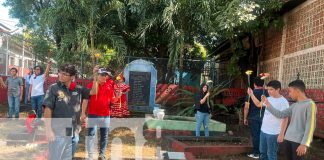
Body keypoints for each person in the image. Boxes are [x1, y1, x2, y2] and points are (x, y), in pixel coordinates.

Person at [43, 64, 89, 160]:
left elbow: (91, 94)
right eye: (60, 73)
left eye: (64, 74)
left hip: (73, 131)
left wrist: (81, 120)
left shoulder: (78, 89)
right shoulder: (53, 88)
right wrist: (48, 130)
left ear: (72, 77)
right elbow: (48, 109)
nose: (60, 75)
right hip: (58, 132)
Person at [262, 80, 317, 160]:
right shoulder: (294, 105)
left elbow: (310, 126)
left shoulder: (310, 104)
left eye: (290, 91)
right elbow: (280, 115)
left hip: (298, 142)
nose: (289, 94)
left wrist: (304, 144)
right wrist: (268, 104)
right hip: (288, 139)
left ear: (297, 91)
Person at [81, 66, 119, 160]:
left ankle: (101, 154)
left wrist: (117, 97)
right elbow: (86, 99)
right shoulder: (91, 85)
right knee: (91, 135)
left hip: (105, 115)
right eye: (101, 75)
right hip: (93, 114)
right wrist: (83, 113)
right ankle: (90, 156)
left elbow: (113, 100)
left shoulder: (109, 86)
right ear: (97, 76)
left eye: (105, 75)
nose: (103, 77)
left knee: (104, 136)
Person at [248, 80, 289, 160]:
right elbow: (258, 104)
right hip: (263, 131)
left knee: (271, 154)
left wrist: (281, 134)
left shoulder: (283, 102)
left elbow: (285, 118)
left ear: (278, 89)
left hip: (274, 133)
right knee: (262, 152)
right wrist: (251, 94)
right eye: (268, 89)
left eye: (271, 89)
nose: (268, 91)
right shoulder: (268, 99)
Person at [243, 76, 269, 159]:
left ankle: (256, 153)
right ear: (263, 84)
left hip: (253, 118)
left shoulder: (251, 93)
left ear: (254, 84)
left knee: (256, 136)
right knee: (264, 135)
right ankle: (264, 153)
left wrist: (245, 118)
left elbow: (246, 107)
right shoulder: (267, 93)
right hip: (265, 118)